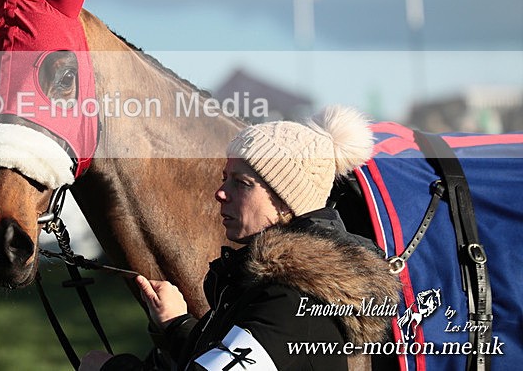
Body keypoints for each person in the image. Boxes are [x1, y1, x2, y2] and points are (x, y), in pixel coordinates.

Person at [81, 105, 400, 371]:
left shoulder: (293, 297)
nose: (220, 193)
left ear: (286, 200)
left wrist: (109, 369)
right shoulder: (277, 284)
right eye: (225, 179)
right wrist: (176, 324)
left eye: (241, 183)